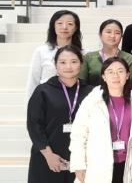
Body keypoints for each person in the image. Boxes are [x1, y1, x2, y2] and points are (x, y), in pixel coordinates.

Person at [27, 45, 93, 183]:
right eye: (62, 62)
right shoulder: (43, 91)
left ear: (81, 63)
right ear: (55, 64)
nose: (68, 66)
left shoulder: (91, 92)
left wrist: (86, 158)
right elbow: (34, 125)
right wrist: (49, 155)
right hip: (48, 158)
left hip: (82, 160)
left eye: (74, 61)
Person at [69, 57, 132, 183]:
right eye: (110, 72)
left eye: (120, 71)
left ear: (127, 75)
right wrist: (78, 164)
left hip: (129, 162)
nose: (115, 75)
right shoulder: (92, 100)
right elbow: (78, 134)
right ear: (103, 76)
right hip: (98, 164)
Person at [27, 10, 83, 97]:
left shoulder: (83, 53)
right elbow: (33, 81)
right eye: (60, 23)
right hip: (46, 99)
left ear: (76, 28)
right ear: (53, 26)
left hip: (75, 99)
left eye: (70, 24)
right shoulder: (41, 51)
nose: (64, 27)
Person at [80, 19, 132, 86]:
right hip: (94, 95)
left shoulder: (130, 59)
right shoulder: (88, 57)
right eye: (108, 32)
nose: (112, 36)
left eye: (117, 33)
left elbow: (129, 85)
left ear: (121, 36)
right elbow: (82, 83)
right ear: (100, 35)